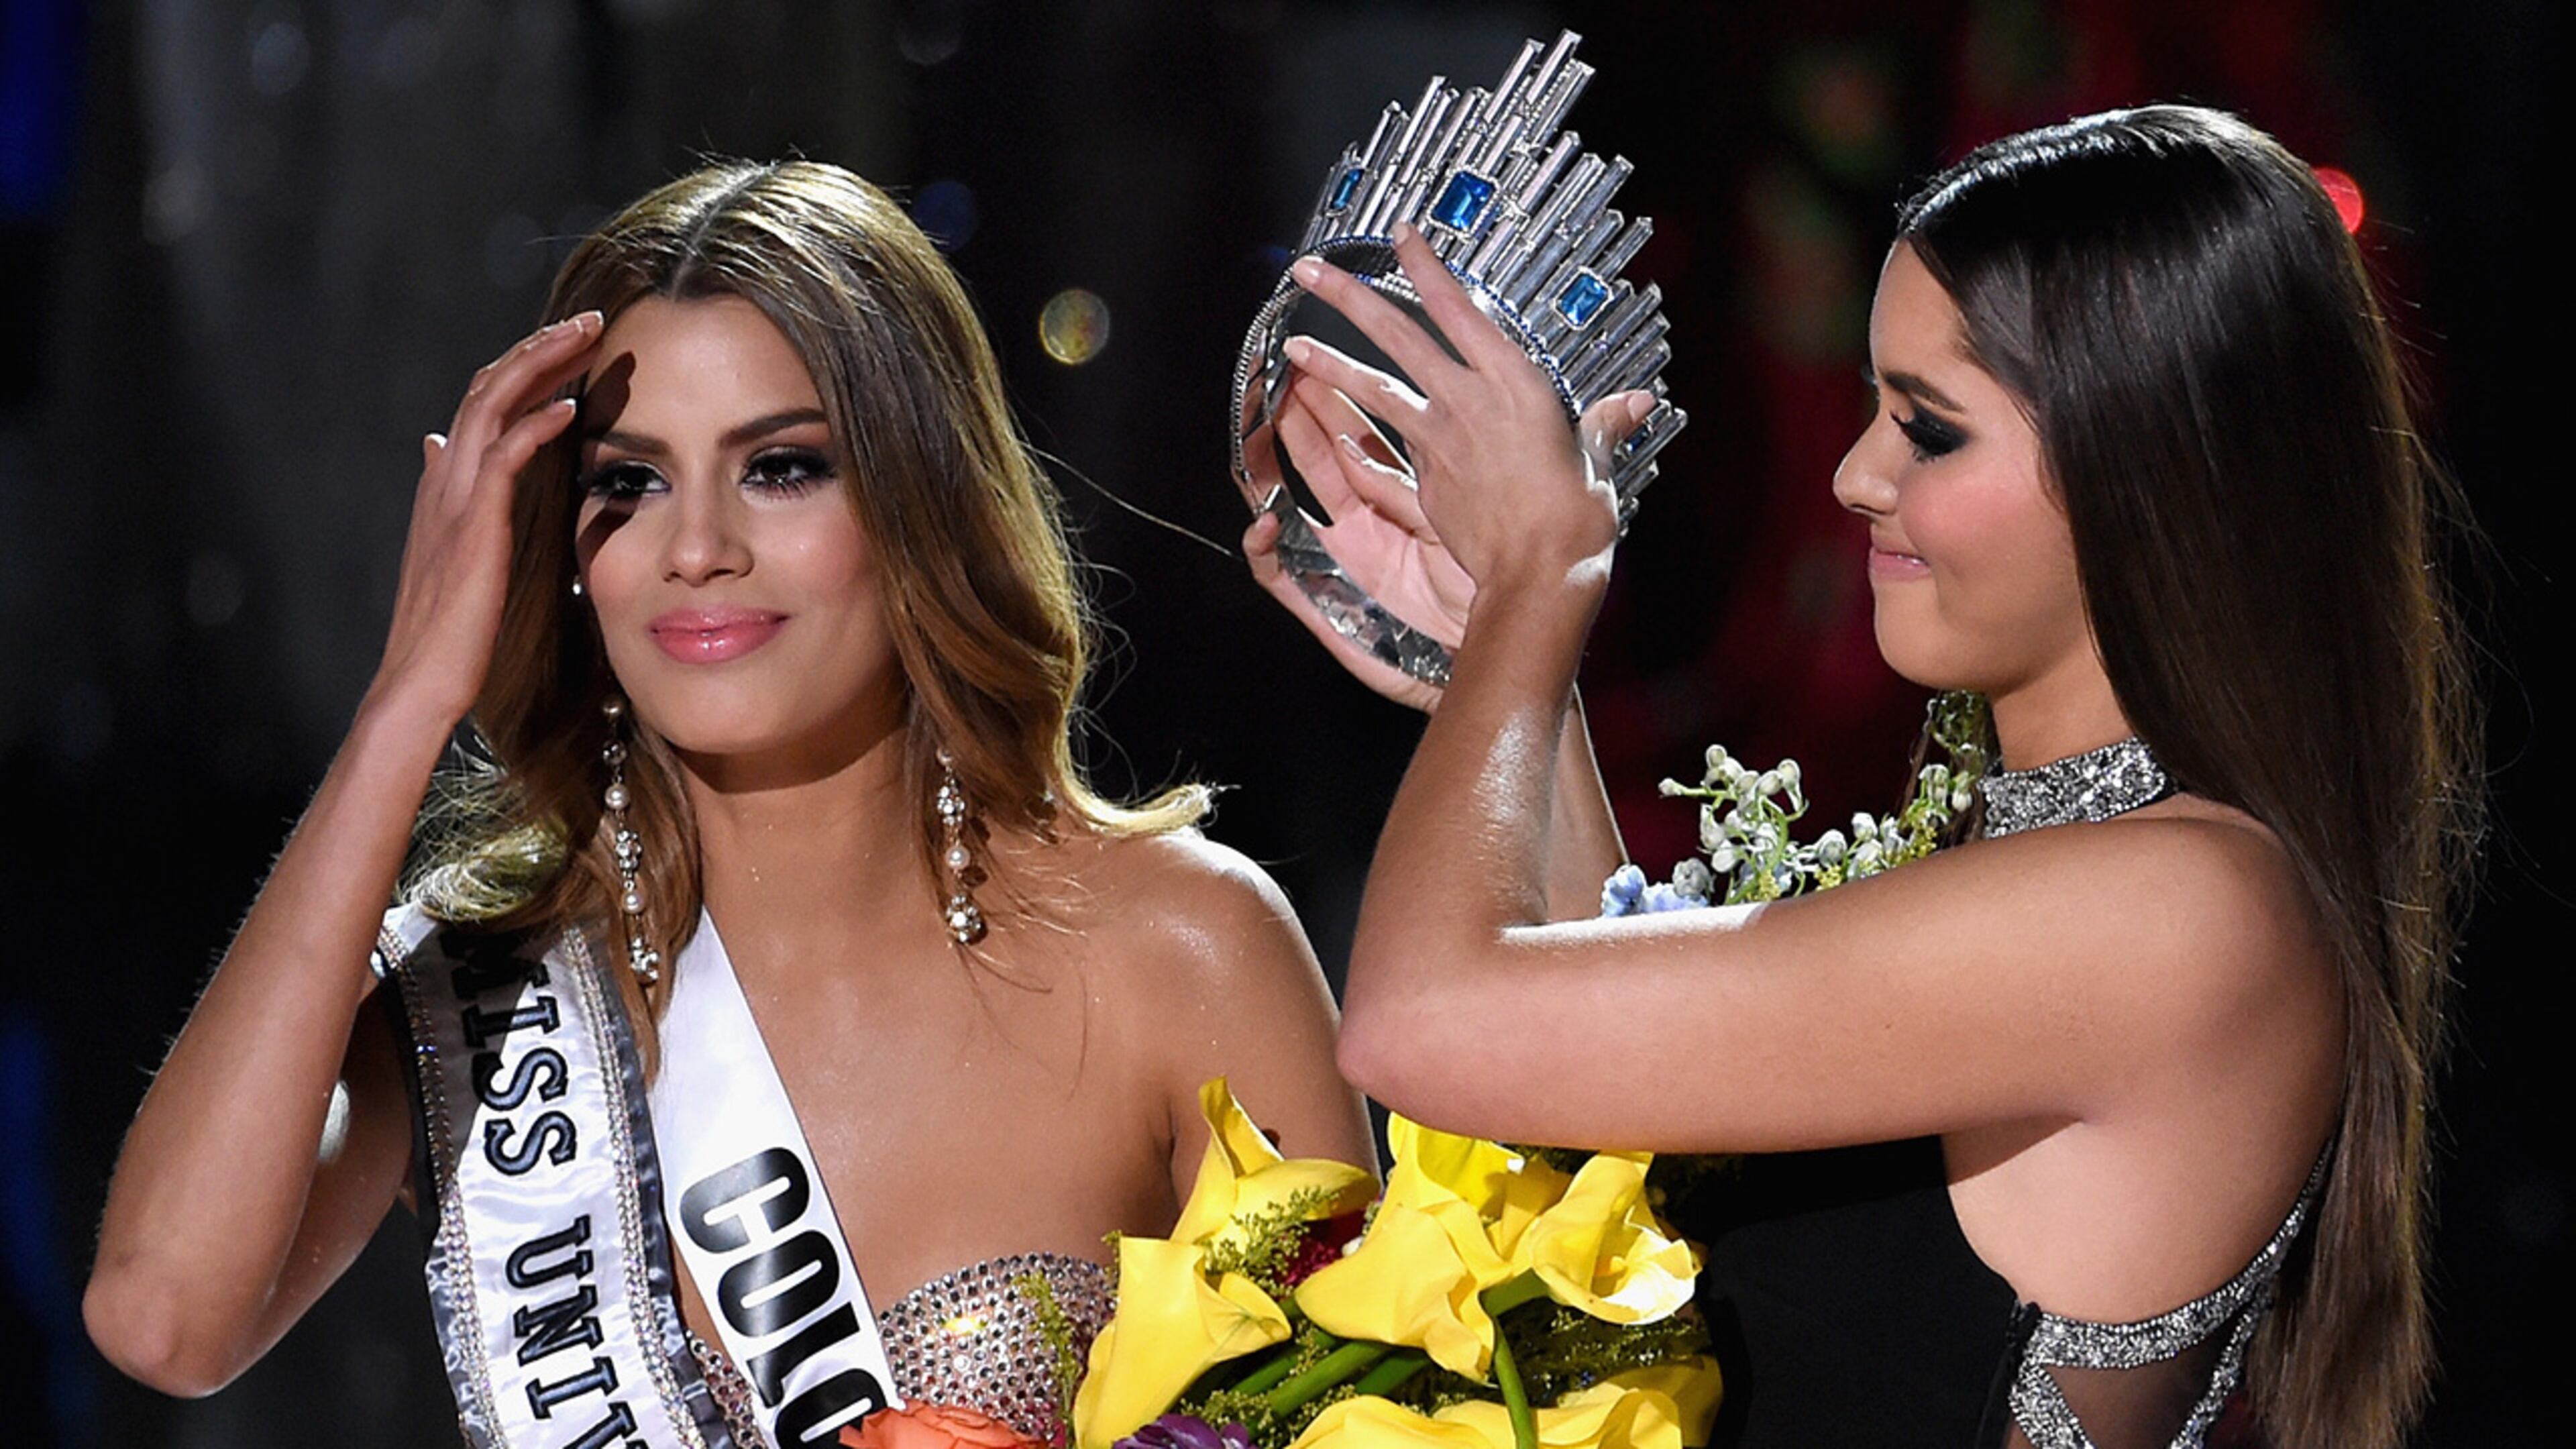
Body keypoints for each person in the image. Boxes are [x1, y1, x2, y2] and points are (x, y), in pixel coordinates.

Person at [85, 160, 1375, 1449]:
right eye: (628, 482)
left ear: (922, 501)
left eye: (783, 467)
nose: (697, 548)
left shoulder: (1181, 955)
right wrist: (404, 708)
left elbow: (1373, 1418)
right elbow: (162, 1319)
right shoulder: (487, 1001)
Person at [1245, 106, 2473, 1449]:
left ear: (2151, 461)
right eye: (1875, 410)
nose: (1853, 475)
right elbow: (1615, 1085)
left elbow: (1423, 1031)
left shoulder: (2184, 911)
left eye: (1928, 430)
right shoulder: (2091, 874)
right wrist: (1502, 651)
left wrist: (1541, 590)